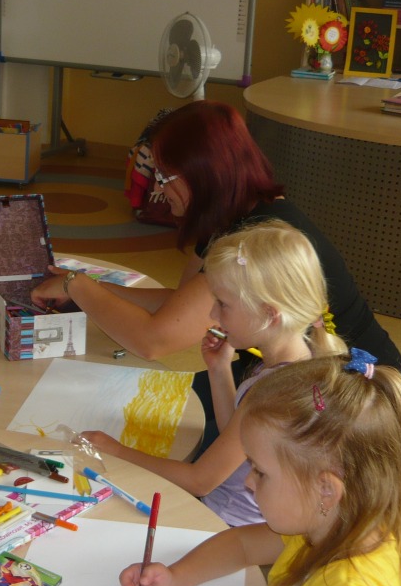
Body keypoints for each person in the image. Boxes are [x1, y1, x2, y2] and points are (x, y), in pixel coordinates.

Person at [29, 101, 401, 447]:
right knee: (149, 412)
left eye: (165, 176)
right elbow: (181, 305)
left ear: (202, 174)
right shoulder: (232, 213)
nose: (157, 187)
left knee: (160, 434)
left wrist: (77, 285)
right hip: (284, 375)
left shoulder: (252, 241)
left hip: (350, 401)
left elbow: (153, 340)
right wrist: (90, 289)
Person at [119, 353, 401, 586]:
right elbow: (242, 545)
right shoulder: (324, 526)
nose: (248, 483)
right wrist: (175, 577)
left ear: (326, 490)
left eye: (260, 472)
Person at [82, 220, 347, 526]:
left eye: (223, 304)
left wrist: (116, 450)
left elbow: (200, 481)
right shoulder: (299, 361)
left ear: (268, 314)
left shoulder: (274, 392)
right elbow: (239, 437)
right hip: (235, 514)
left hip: (225, 522)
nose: (212, 315)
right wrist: (220, 370)